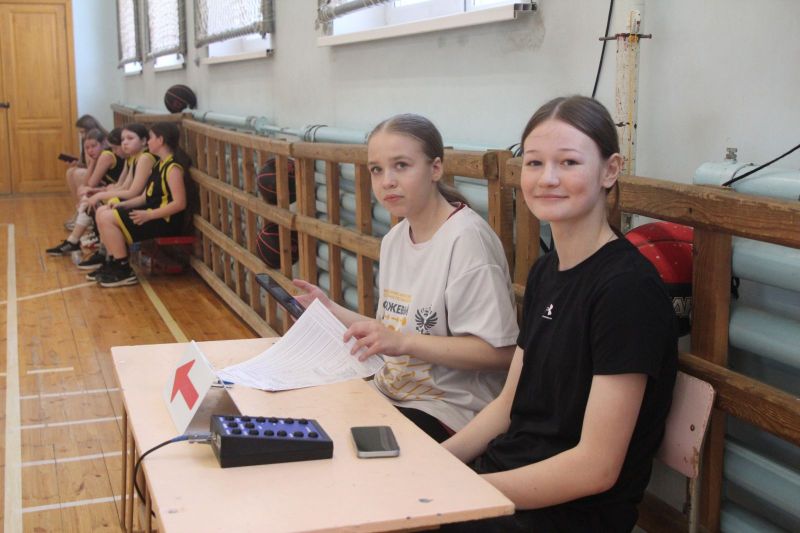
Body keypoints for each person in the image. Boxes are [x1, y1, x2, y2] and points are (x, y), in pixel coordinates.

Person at [439, 96, 678, 533]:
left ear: (610, 170)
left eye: (568, 162)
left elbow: (595, 468)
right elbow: (507, 406)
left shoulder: (627, 289)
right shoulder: (546, 271)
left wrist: (462, 490)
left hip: (572, 513)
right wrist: (433, 466)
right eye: (534, 163)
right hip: (507, 480)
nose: (548, 178)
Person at [293, 113, 518, 442]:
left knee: (338, 446)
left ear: (435, 169)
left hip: (449, 411)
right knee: (307, 418)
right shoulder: (395, 239)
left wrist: (404, 343)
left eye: (401, 165)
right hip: (392, 392)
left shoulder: (467, 241)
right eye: (376, 169)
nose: (387, 181)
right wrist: (330, 310)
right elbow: (394, 332)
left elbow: (500, 353)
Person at [91, 122, 192, 287]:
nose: (148, 141)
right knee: (103, 212)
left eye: (151, 138)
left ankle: (124, 269)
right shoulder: (159, 164)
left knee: (107, 219)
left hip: (165, 221)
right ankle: (113, 262)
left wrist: (149, 215)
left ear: (160, 140)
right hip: (151, 214)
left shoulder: (173, 168)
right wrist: (123, 205)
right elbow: (144, 198)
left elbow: (180, 203)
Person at [76, 123, 157, 274]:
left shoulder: (145, 158)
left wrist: (101, 194)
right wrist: (99, 191)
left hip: (146, 206)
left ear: (144, 141)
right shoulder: (134, 158)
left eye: (130, 138)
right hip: (137, 200)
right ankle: (109, 257)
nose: (124, 143)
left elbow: (133, 192)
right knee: (101, 208)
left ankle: (120, 264)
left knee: (103, 211)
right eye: (123, 139)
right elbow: (123, 186)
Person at [46, 128, 125, 256]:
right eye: (87, 147)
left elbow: (91, 183)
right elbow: (87, 183)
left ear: (103, 143)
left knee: (88, 197)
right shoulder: (100, 156)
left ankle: (75, 241)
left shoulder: (106, 155)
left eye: (94, 146)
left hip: (119, 193)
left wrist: (92, 165)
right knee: (87, 195)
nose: (90, 150)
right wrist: (92, 162)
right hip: (115, 190)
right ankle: (74, 240)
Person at [64, 115, 107, 209]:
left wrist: (88, 152)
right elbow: (86, 163)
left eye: (83, 132)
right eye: (80, 133)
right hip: (91, 170)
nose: (82, 136)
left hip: (101, 174)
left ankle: (84, 207)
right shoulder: (86, 141)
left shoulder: (100, 141)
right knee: (70, 171)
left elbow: (92, 164)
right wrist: (77, 163)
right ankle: (79, 206)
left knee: (78, 173)